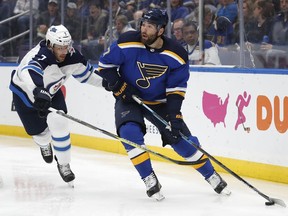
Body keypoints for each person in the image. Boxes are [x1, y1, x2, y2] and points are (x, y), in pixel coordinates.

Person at [96, 8, 229, 200]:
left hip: (161, 102)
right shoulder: (127, 42)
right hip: (129, 98)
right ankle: (149, 178)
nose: (144, 29)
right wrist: (118, 84)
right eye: (143, 24)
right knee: (129, 133)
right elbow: (105, 66)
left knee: (182, 142)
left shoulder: (176, 54)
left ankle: (211, 175)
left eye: (150, 26)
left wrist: (174, 115)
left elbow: (176, 90)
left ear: (160, 30)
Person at [9, 24, 101, 185]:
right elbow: (27, 71)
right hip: (25, 95)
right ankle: (44, 144)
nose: (64, 52)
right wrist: (38, 90)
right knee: (40, 134)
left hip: (51, 92)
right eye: (60, 48)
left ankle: (64, 164)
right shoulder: (39, 55)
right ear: (50, 45)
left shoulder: (72, 56)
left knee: (60, 124)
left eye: (66, 47)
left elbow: (87, 75)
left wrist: (109, 84)